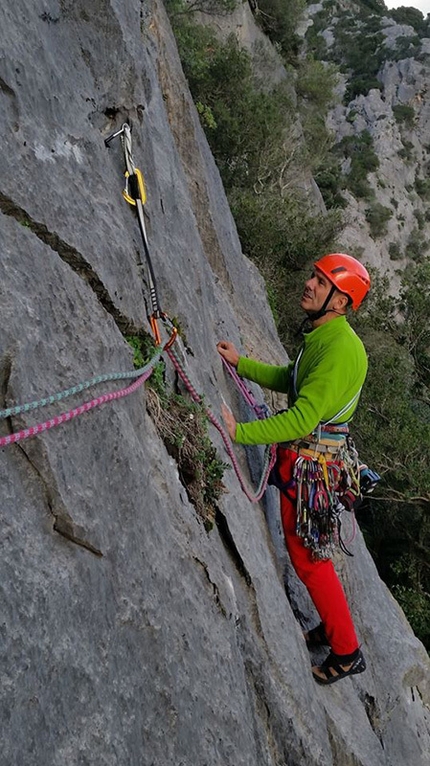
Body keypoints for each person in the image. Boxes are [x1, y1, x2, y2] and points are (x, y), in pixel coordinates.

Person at [217, 253, 371, 685]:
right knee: (310, 555)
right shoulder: (327, 337)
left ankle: (347, 651)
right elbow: (292, 377)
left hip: (312, 465)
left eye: (321, 283)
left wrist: (240, 432)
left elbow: (303, 418)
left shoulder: (340, 350)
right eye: (314, 277)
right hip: (309, 460)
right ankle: (333, 627)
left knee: (307, 560)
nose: (309, 284)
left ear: (340, 303)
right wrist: (241, 364)